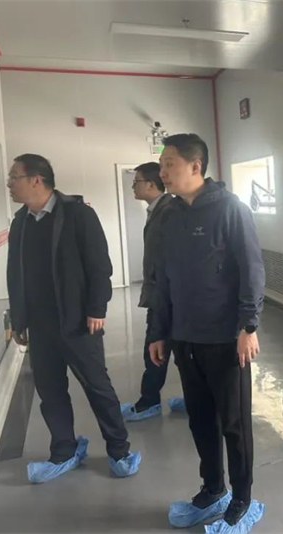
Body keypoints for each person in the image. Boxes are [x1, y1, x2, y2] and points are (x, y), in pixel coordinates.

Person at [147, 134, 266, 531]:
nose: (163, 172)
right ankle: (213, 488)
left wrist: (248, 326)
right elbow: (163, 278)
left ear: (195, 166)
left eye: (169, 164)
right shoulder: (169, 215)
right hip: (185, 337)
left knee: (234, 423)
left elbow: (251, 270)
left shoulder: (230, 209)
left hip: (226, 338)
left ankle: (242, 497)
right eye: (161, 165)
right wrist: (160, 331)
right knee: (200, 419)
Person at [6, 154, 140, 483]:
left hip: (78, 321)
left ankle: (119, 449)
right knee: (50, 391)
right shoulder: (20, 222)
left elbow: (99, 265)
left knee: (97, 387)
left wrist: (97, 308)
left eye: (14, 177)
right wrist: (18, 319)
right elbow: (15, 274)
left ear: (36, 179)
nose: (9, 184)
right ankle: (64, 450)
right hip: (40, 324)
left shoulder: (77, 214)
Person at [120, 161, 185, 421]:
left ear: (149, 184)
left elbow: (167, 261)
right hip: (162, 294)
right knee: (169, 349)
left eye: (135, 181)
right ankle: (186, 398)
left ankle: (149, 402)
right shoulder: (158, 210)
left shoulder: (169, 211)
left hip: (167, 296)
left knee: (159, 348)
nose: (133, 186)